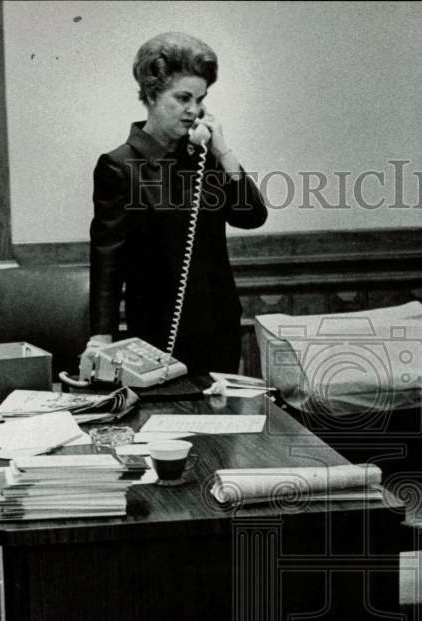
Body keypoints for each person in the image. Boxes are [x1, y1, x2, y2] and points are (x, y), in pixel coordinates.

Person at [82, 32, 268, 379]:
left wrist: (223, 152)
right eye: (183, 98)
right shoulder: (119, 166)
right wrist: (101, 336)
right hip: (156, 332)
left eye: (200, 99)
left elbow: (252, 216)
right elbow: (107, 257)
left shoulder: (204, 158)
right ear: (152, 95)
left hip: (219, 328)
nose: (193, 110)